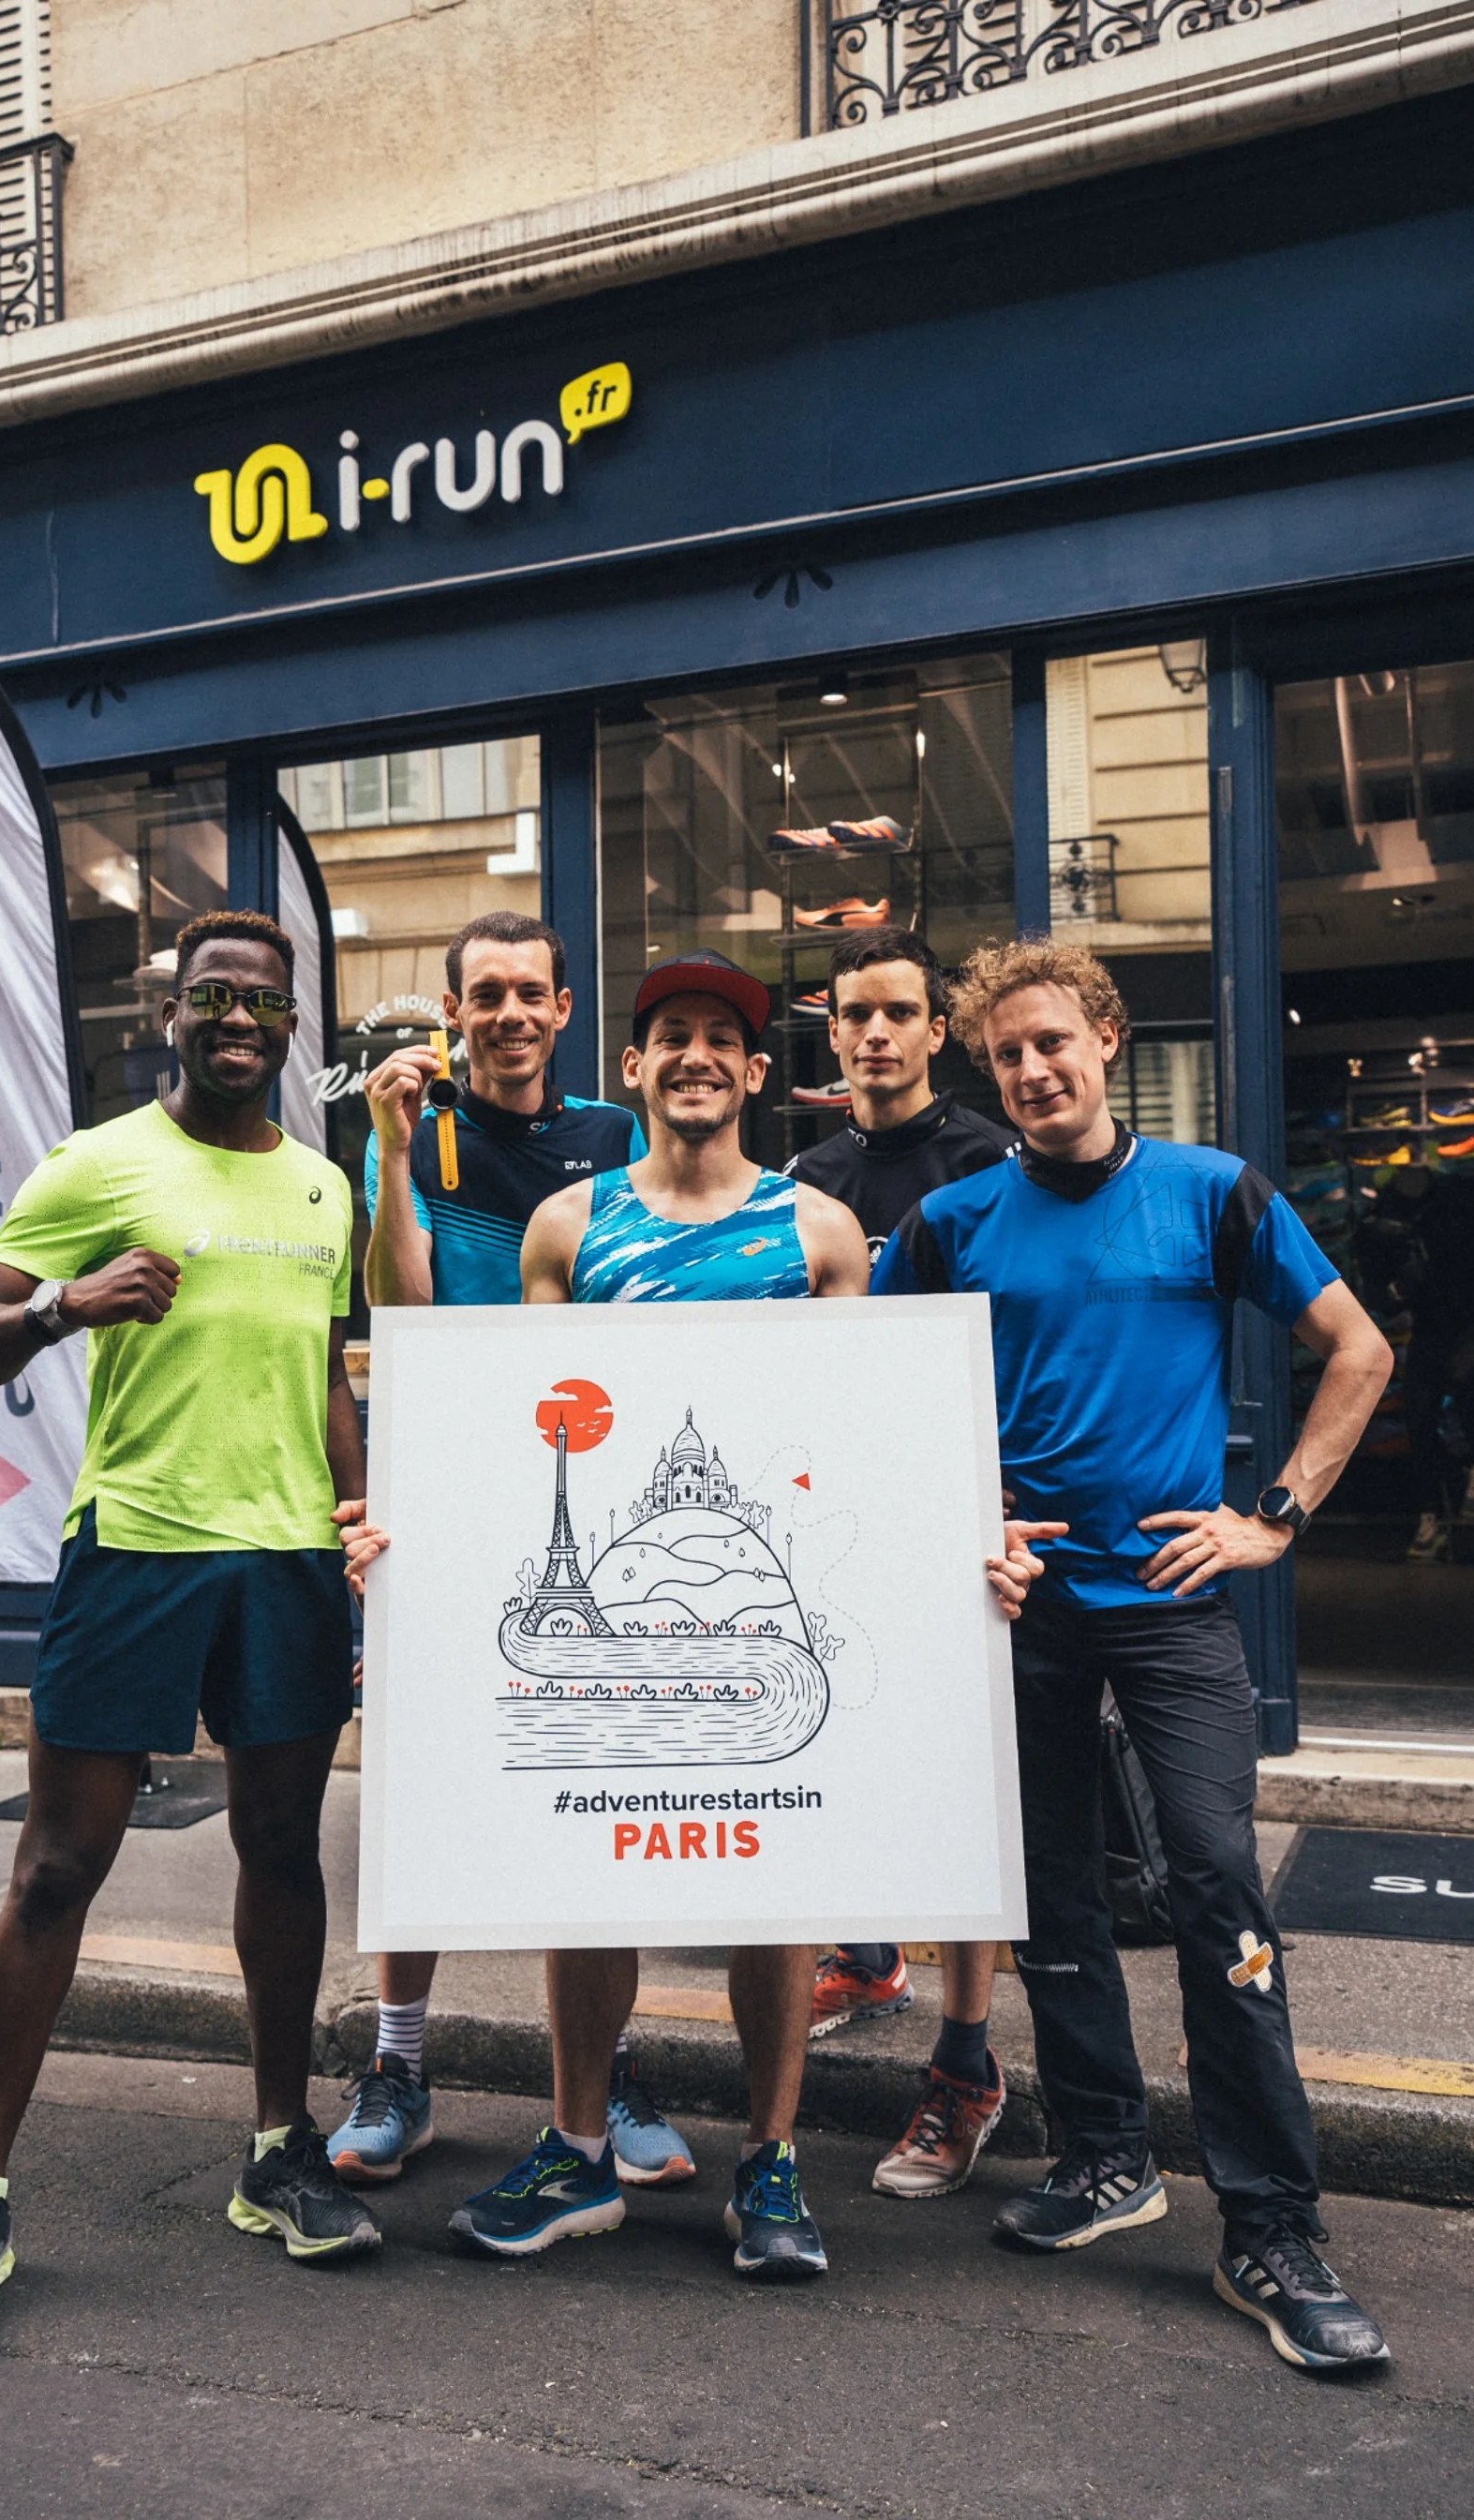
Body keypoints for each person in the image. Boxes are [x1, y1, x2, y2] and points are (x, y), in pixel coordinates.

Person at [440, 948, 1047, 2281]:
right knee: (586, 1874)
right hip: (627, 1587)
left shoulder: (819, 1232)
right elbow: (519, 1434)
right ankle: (579, 2143)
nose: (698, 1055)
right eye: (673, 1036)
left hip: (774, 1597)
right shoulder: (567, 1228)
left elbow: (875, 1441)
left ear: (761, 1073)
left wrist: (970, 1548)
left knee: (776, 1877)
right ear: (633, 1067)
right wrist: (414, 1539)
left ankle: (768, 2163)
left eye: (725, 1036)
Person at [872, 938, 1396, 2373]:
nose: (1034, 1072)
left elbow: (1357, 1349)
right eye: (1008, 1057)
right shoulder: (952, 1220)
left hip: (1171, 1602)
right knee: (1051, 1895)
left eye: (1055, 1042)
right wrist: (966, 1505)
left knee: (1218, 1883)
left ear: (1104, 1038)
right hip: (1021, 1606)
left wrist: (1270, 1518)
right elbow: (871, 1397)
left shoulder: (1213, 1194)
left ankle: (1272, 2226)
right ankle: (1106, 2157)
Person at [0, 911, 385, 2350]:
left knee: (285, 1856)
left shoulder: (319, 1186)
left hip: (288, 1560)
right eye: (212, 995)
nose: (239, 1018)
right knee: (56, 1871)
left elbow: (323, 1371)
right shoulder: (97, 1164)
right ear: (171, 1011)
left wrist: (362, 1513)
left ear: (295, 1025)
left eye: (264, 1001)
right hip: (137, 1554)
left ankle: (278, 2149)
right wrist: (62, 1301)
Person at [333, 911, 693, 2193]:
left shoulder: (612, 1136)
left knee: (593, 1780)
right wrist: (382, 1148)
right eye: (484, 995)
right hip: (445, 1483)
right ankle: (399, 2063)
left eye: (529, 992)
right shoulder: (418, 1133)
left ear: (562, 1006)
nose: (508, 1015)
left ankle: (607, 2074)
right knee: (422, 1780)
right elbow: (400, 1306)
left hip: (587, 1483)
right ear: (452, 1009)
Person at [785, 926, 1023, 2204]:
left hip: (962, 1508)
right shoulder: (807, 1173)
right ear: (832, 1034)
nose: (874, 1033)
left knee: (962, 1795)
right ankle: (869, 1957)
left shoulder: (989, 1156)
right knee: (833, 1745)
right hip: (837, 1503)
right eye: (853, 1015)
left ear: (939, 1029)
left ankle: (967, 2062)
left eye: (897, 1013)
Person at [1353, 1161, 1474, 1559]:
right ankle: (1430, 1515)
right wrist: (1397, 1289)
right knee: (1419, 1414)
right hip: (1434, 1320)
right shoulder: (1384, 1222)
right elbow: (1378, 1291)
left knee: (1463, 1377)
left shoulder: (1467, 1197)